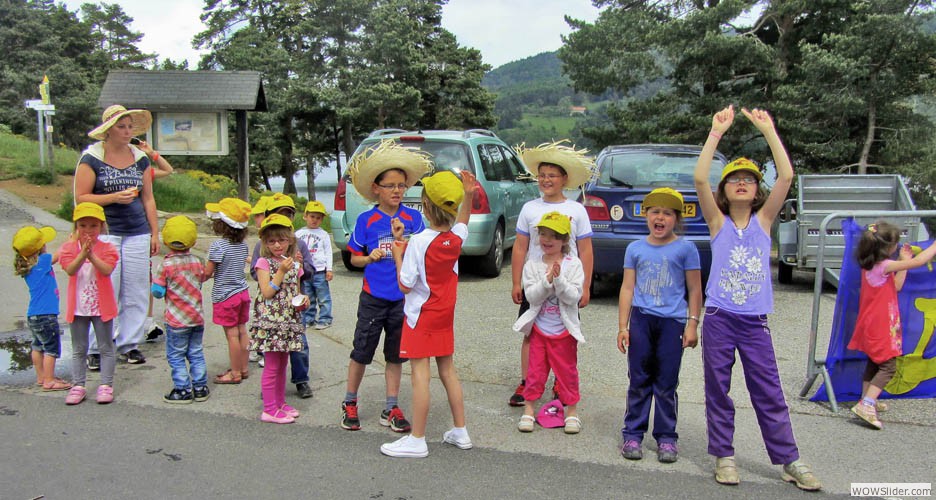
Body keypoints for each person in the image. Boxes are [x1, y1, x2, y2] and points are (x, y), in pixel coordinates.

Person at [695, 105, 820, 491]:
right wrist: (716, 132)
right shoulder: (717, 222)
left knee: (768, 391)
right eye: (735, 179)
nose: (742, 183)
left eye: (749, 179)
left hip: (754, 322)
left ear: (757, 190)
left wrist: (769, 131)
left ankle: (789, 459)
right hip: (719, 318)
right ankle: (724, 456)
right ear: (724, 190)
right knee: (718, 389)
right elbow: (699, 177)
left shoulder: (764, 221)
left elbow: (786, 176)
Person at [380, 170, 477, 458]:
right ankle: (460, 430)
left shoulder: (419, 242)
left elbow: (405, 285)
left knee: (420, 375)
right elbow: (463, 221)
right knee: (448, 370)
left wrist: (399, 254)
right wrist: (468, 195)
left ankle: (417, 439)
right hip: (444, 316)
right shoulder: (455, 238)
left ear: (425, 205)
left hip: (420, 317)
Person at [341, 140, 430, 432]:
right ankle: (350, 401)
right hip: (373, 297)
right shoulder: (366, 220)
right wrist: (369, 257)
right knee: (361, 352)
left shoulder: (413, 219)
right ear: (376, 188)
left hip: (402, 299)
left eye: (401, 185)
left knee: (395, 355)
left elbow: (423, 256)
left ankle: (391, 406)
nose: (396, 191)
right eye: (390, 185)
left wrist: (402, 241)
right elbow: (354, 259)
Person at [74, 105, 172, 366]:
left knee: (136, 289)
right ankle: (97, 347)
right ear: (109, 130)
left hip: (137, 230)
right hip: (106, 230)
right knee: (105, 287)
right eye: (122, 127)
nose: (127, 132)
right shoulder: (92, 158)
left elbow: (148, 197)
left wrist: (154, 232)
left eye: (130, 127)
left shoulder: (139, 158)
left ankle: (129, 343)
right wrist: (113, 197)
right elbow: (81, 196)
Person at [617, 188, 702, 463]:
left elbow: (694, 289)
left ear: (676, 218)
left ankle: (666, 437)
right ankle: (632, 434)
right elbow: (627, 288)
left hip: (672, 322)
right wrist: (623, 326)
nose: (660, 218)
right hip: (642, 319)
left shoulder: (686, 249)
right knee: (639, 379)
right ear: (646, 215)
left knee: (666, 382)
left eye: (667, 213)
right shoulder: (635, 249)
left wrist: (692, 323)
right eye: (655, 212)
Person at [509, 141, 595, 407]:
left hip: (566, 282)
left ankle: (561, 382)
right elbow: (520, 246)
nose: (546, 180)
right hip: (536, 280)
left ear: (564, 179)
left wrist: (586, 286)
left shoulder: (576, 210)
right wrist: (516, 282)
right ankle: (527, 381)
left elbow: (586, 250)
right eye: (542, 175)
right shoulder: (530, 208)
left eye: (552, 176)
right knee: (530, 330)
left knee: (565, 332)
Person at [847, 221, 936, 429]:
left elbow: (896, 286)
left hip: (873, 324)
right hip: (880, 326)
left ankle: (867, 398)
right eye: (895, 243)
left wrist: (903, 261)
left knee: (874, 362)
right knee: (889, 366)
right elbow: (920, 261)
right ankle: (867, 404)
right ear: (886, 247)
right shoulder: (884, 266)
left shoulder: (871, 266)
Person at [513, 211, 585, 434]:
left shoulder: (574, 264)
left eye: (554, 236)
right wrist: (547, 280)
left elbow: (573, 297)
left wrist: (559, 280)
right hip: (539, 330)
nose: (547, 240)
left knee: (567, 373)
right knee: (535, 372)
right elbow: (532, 297)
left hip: (564, 332)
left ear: (564, 240)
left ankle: (571, 412)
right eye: (543, 234)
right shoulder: (532, 265)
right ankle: (529, 410)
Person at [249, 194, 314, 398]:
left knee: (299, 345)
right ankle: (271, 390)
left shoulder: (298, 244)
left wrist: (302, 265)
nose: (277, 244)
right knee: (273, 354)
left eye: (288, 214)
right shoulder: (263, 247)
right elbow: (256, 274)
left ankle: (301, 380)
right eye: (278, 213)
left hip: (292, 307)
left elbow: (309, 272)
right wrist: (278, 272)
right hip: (272, 311)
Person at [59, 202, 119, 405]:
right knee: (79, 348)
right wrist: (82, 254)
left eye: (93, 226)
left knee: (105, 347)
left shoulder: (108, 248)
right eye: (83, 225)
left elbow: (107, 270)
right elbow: (70, 269)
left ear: (101, 227)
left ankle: (106, 385)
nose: (88, 230)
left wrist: (91, 255)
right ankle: (78, 385)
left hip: (102, 307)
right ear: (76, 226)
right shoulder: (68, 248)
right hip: (78, 308)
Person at [152, 216, 209, 404]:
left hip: (177, 319)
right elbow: (201, 279)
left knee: (176, 355)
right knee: (196, 352)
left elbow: (158, 292)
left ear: (166, 241)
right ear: (193, 241)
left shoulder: (166, 265)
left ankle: (183, 388)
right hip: (196, 317)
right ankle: (200, 387)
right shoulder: (197, 261)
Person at [13, 226, 71, 392]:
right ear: (40, 248)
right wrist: (71, 240)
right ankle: (49, 380)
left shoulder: (28, 267)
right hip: (46, 316)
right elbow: (59, 254)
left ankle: (41, 377)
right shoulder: (42, 261)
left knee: (37, 346)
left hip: (33, 315)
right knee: (51, 348)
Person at [205, 198, 253, 385]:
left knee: (232, 335)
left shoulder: (218, 246)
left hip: (225, 296)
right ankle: (244, 368)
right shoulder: (243, 246)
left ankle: (235, 372)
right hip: (242, 293)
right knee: (242, 331)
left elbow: (208, 272)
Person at [295, 200, 334, 331]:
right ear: (305, 216)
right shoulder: (299, 234)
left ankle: (325, 318)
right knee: (308, 296)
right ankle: (308, 318)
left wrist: (329, 269)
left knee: (323, 297)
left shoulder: (323, 235)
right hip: (305, 271)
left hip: (320, 271)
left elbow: (328, 252)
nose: (314, 220)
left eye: (318, 218)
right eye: (312, 216)